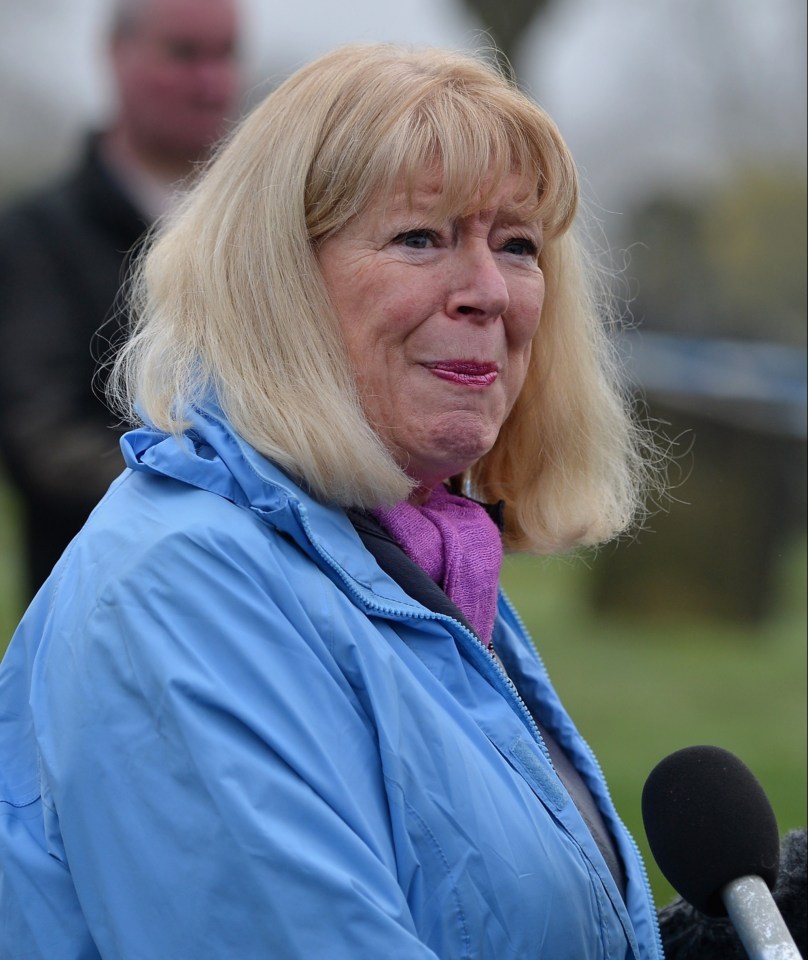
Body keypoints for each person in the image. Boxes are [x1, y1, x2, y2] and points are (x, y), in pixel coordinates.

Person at [0, 43, 664, 959]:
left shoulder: (411, 550)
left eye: (516, 245)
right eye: (420, 237)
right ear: (279, 283)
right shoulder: (183, 594)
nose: (487, 292)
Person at [0, 0, 241, 598]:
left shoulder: (261, 237)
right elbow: (42, 438)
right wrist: (224, 488)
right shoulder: (33, 238)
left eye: (225, 54)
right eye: (184, 54)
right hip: (101, 603)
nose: (209, 82)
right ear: (115, 54)